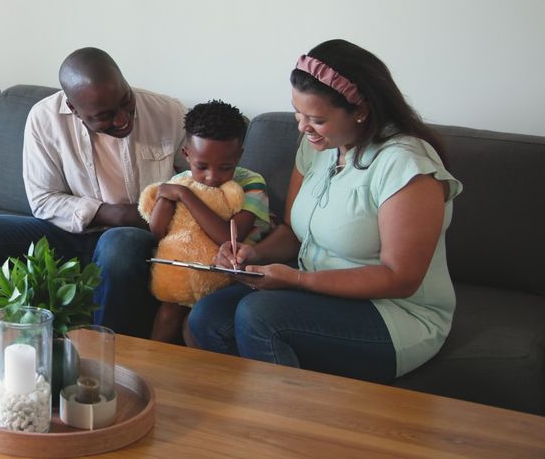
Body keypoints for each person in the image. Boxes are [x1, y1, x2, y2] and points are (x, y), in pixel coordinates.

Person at [188, 39, 462, 382]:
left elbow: (400, 278)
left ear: (360, 111)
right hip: (317, 293)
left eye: (316, 118)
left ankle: (289, 428)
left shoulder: (406, 165)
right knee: (208, 316)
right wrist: (251, 254)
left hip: (394, 313)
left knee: (260, 316)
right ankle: (246, 415)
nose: (302, 127)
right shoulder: (318, 146)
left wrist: (299, 280)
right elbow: (292, 230)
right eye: (298, 113)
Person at [0, 47, 188, 337]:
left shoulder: (170, 113)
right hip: (71, 233)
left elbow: (202, 182)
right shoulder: (43, 119)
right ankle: (13, 338)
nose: (123, 118)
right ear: (75, 110)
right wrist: (108, 212)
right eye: (105, 115)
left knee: (118, 244)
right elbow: (42, 199)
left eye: (126, 101)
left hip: (135, 235)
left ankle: (108, 352)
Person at [147, 100, 270, 343]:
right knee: (168, 312)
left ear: (239, 156)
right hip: (187, 268)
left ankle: (198, 379)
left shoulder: (252, 184)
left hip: (233, 271)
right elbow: (156, 231)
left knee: (193, 323)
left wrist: (185, 195)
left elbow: (229, 237)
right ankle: (149, 373)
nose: (212, 177)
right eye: (201, 166)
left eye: (225, 167)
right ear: (186, 155)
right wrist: (164, 196)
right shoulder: (181, 180)